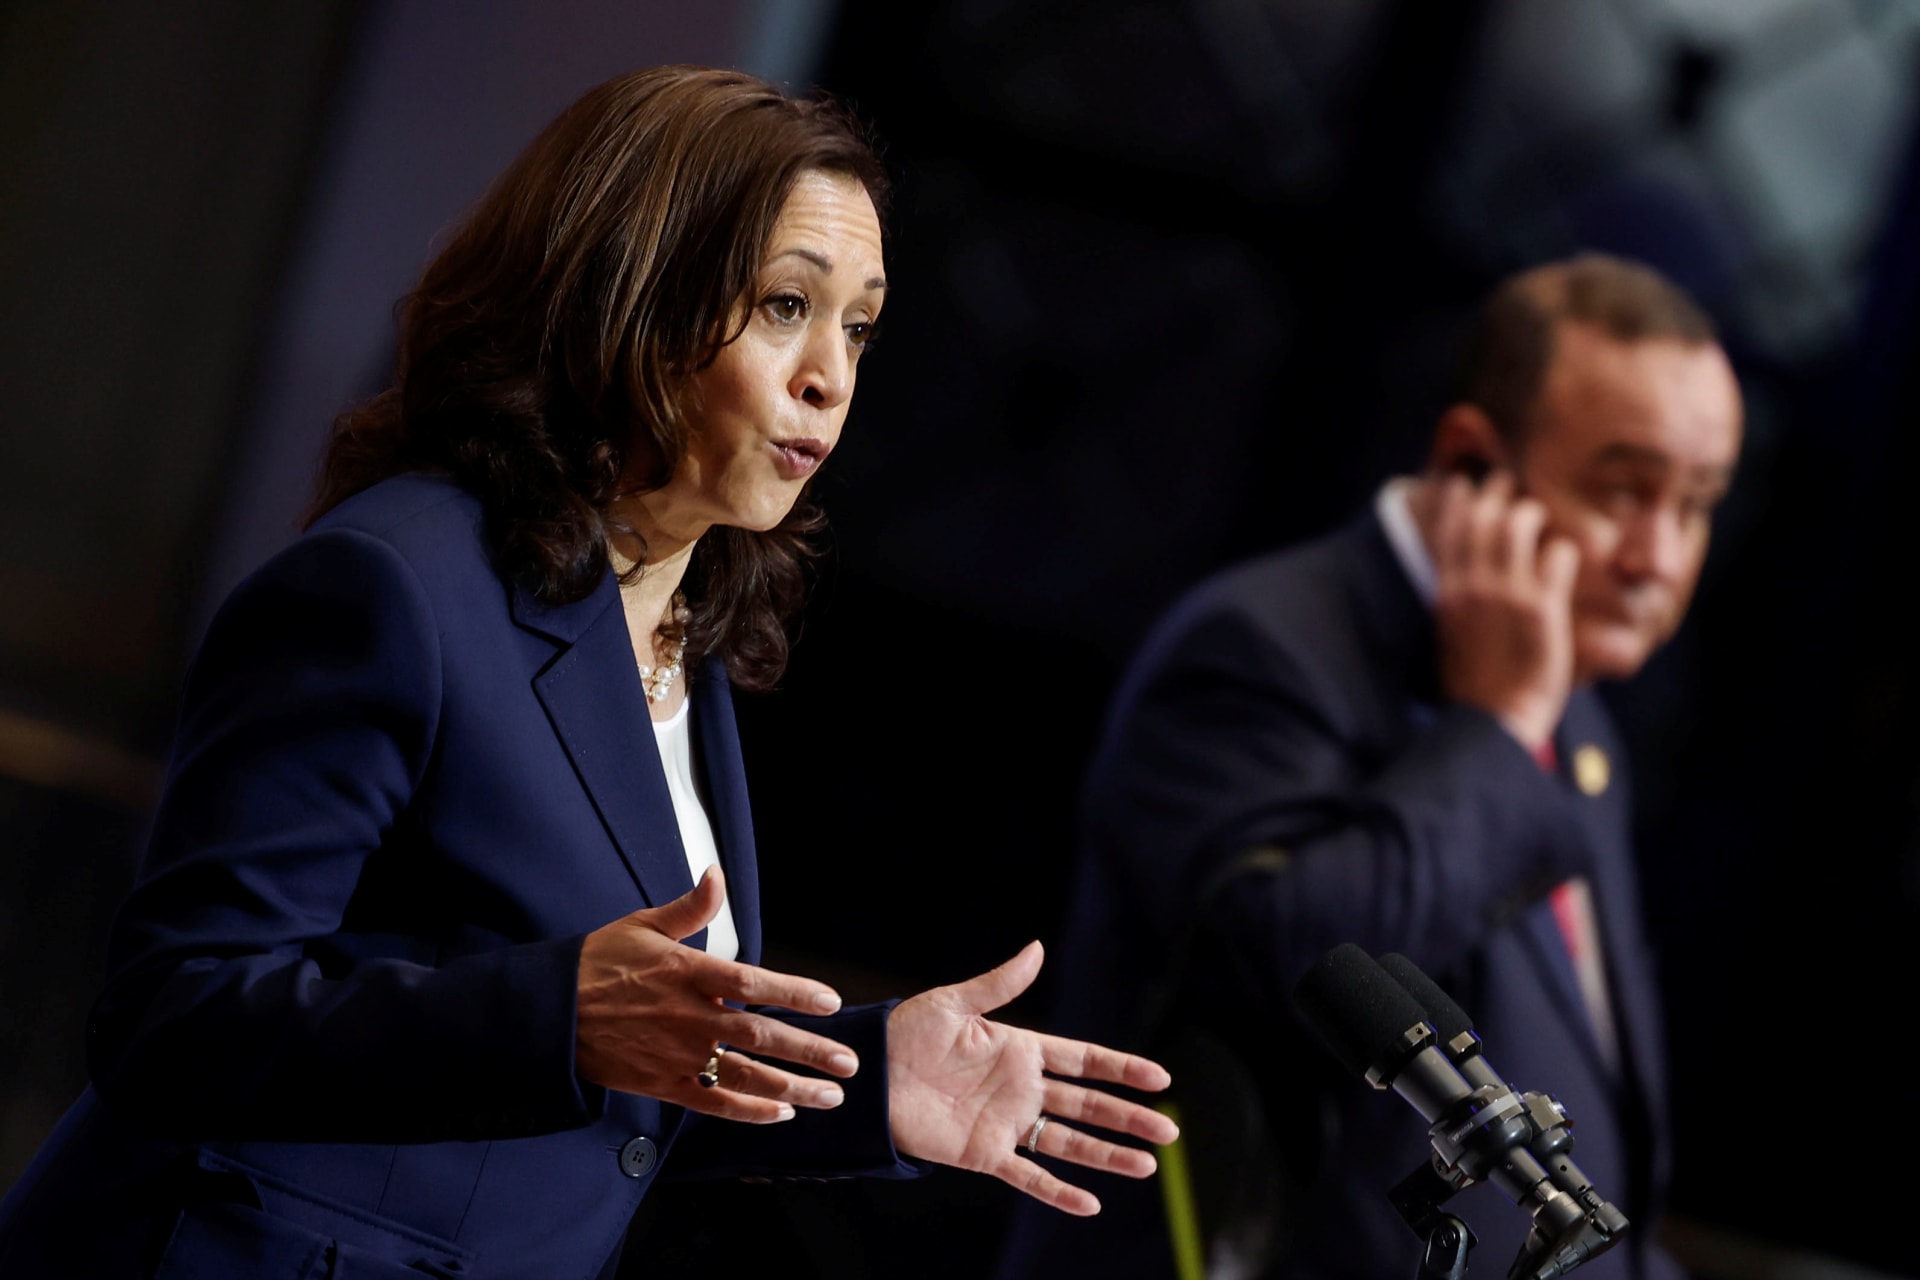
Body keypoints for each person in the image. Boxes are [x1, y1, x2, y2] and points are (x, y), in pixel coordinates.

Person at [0, 66, 1178, 1280]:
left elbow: (602, 1108)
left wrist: (871, 1083)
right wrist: (555, 1011)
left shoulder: (681, 642)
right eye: (786, 304)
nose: (832, 373)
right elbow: (173, 1015)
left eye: (860, 324)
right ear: (631, 297)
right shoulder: (395, 583)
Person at [998, 254, 1742, 1280]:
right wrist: (1497, 722)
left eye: (1697, 503)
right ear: (1475, 464)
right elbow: (1294, 963)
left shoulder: (1577, 715)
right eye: (1624, 489)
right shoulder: (1260, 647)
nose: (1659, 556)